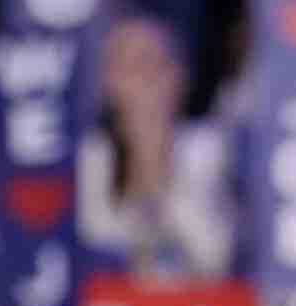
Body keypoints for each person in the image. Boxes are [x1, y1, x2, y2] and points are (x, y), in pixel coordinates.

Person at [77, 15, 238, 278]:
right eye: (135, 66)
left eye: (159, 64)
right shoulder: (93, 156)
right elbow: (95, 245)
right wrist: (137, 162)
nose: (148, 78)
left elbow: (215, 255)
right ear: (109, 83)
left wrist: (160, 163)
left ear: (180, 78)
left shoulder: (210, 148)